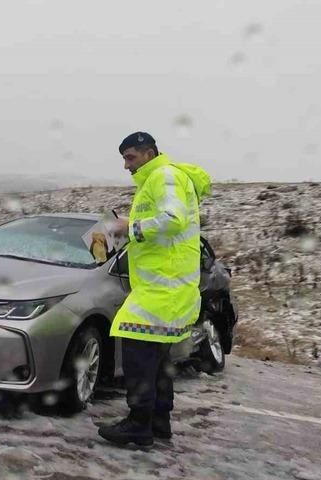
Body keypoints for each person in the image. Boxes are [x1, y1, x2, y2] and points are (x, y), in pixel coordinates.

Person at [97, 132, 211, 447]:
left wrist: (128, 227)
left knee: (137, 351)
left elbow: (172, 219)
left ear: (148, 153)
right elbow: (164, 226)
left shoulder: (165, 176)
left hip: (163, 289)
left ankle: (138, 423)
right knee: (157, 359)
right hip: (165, 288)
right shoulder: (156, 181)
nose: (125, 166)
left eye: (130, 157)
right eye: (123, 158)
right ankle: (158, 422)